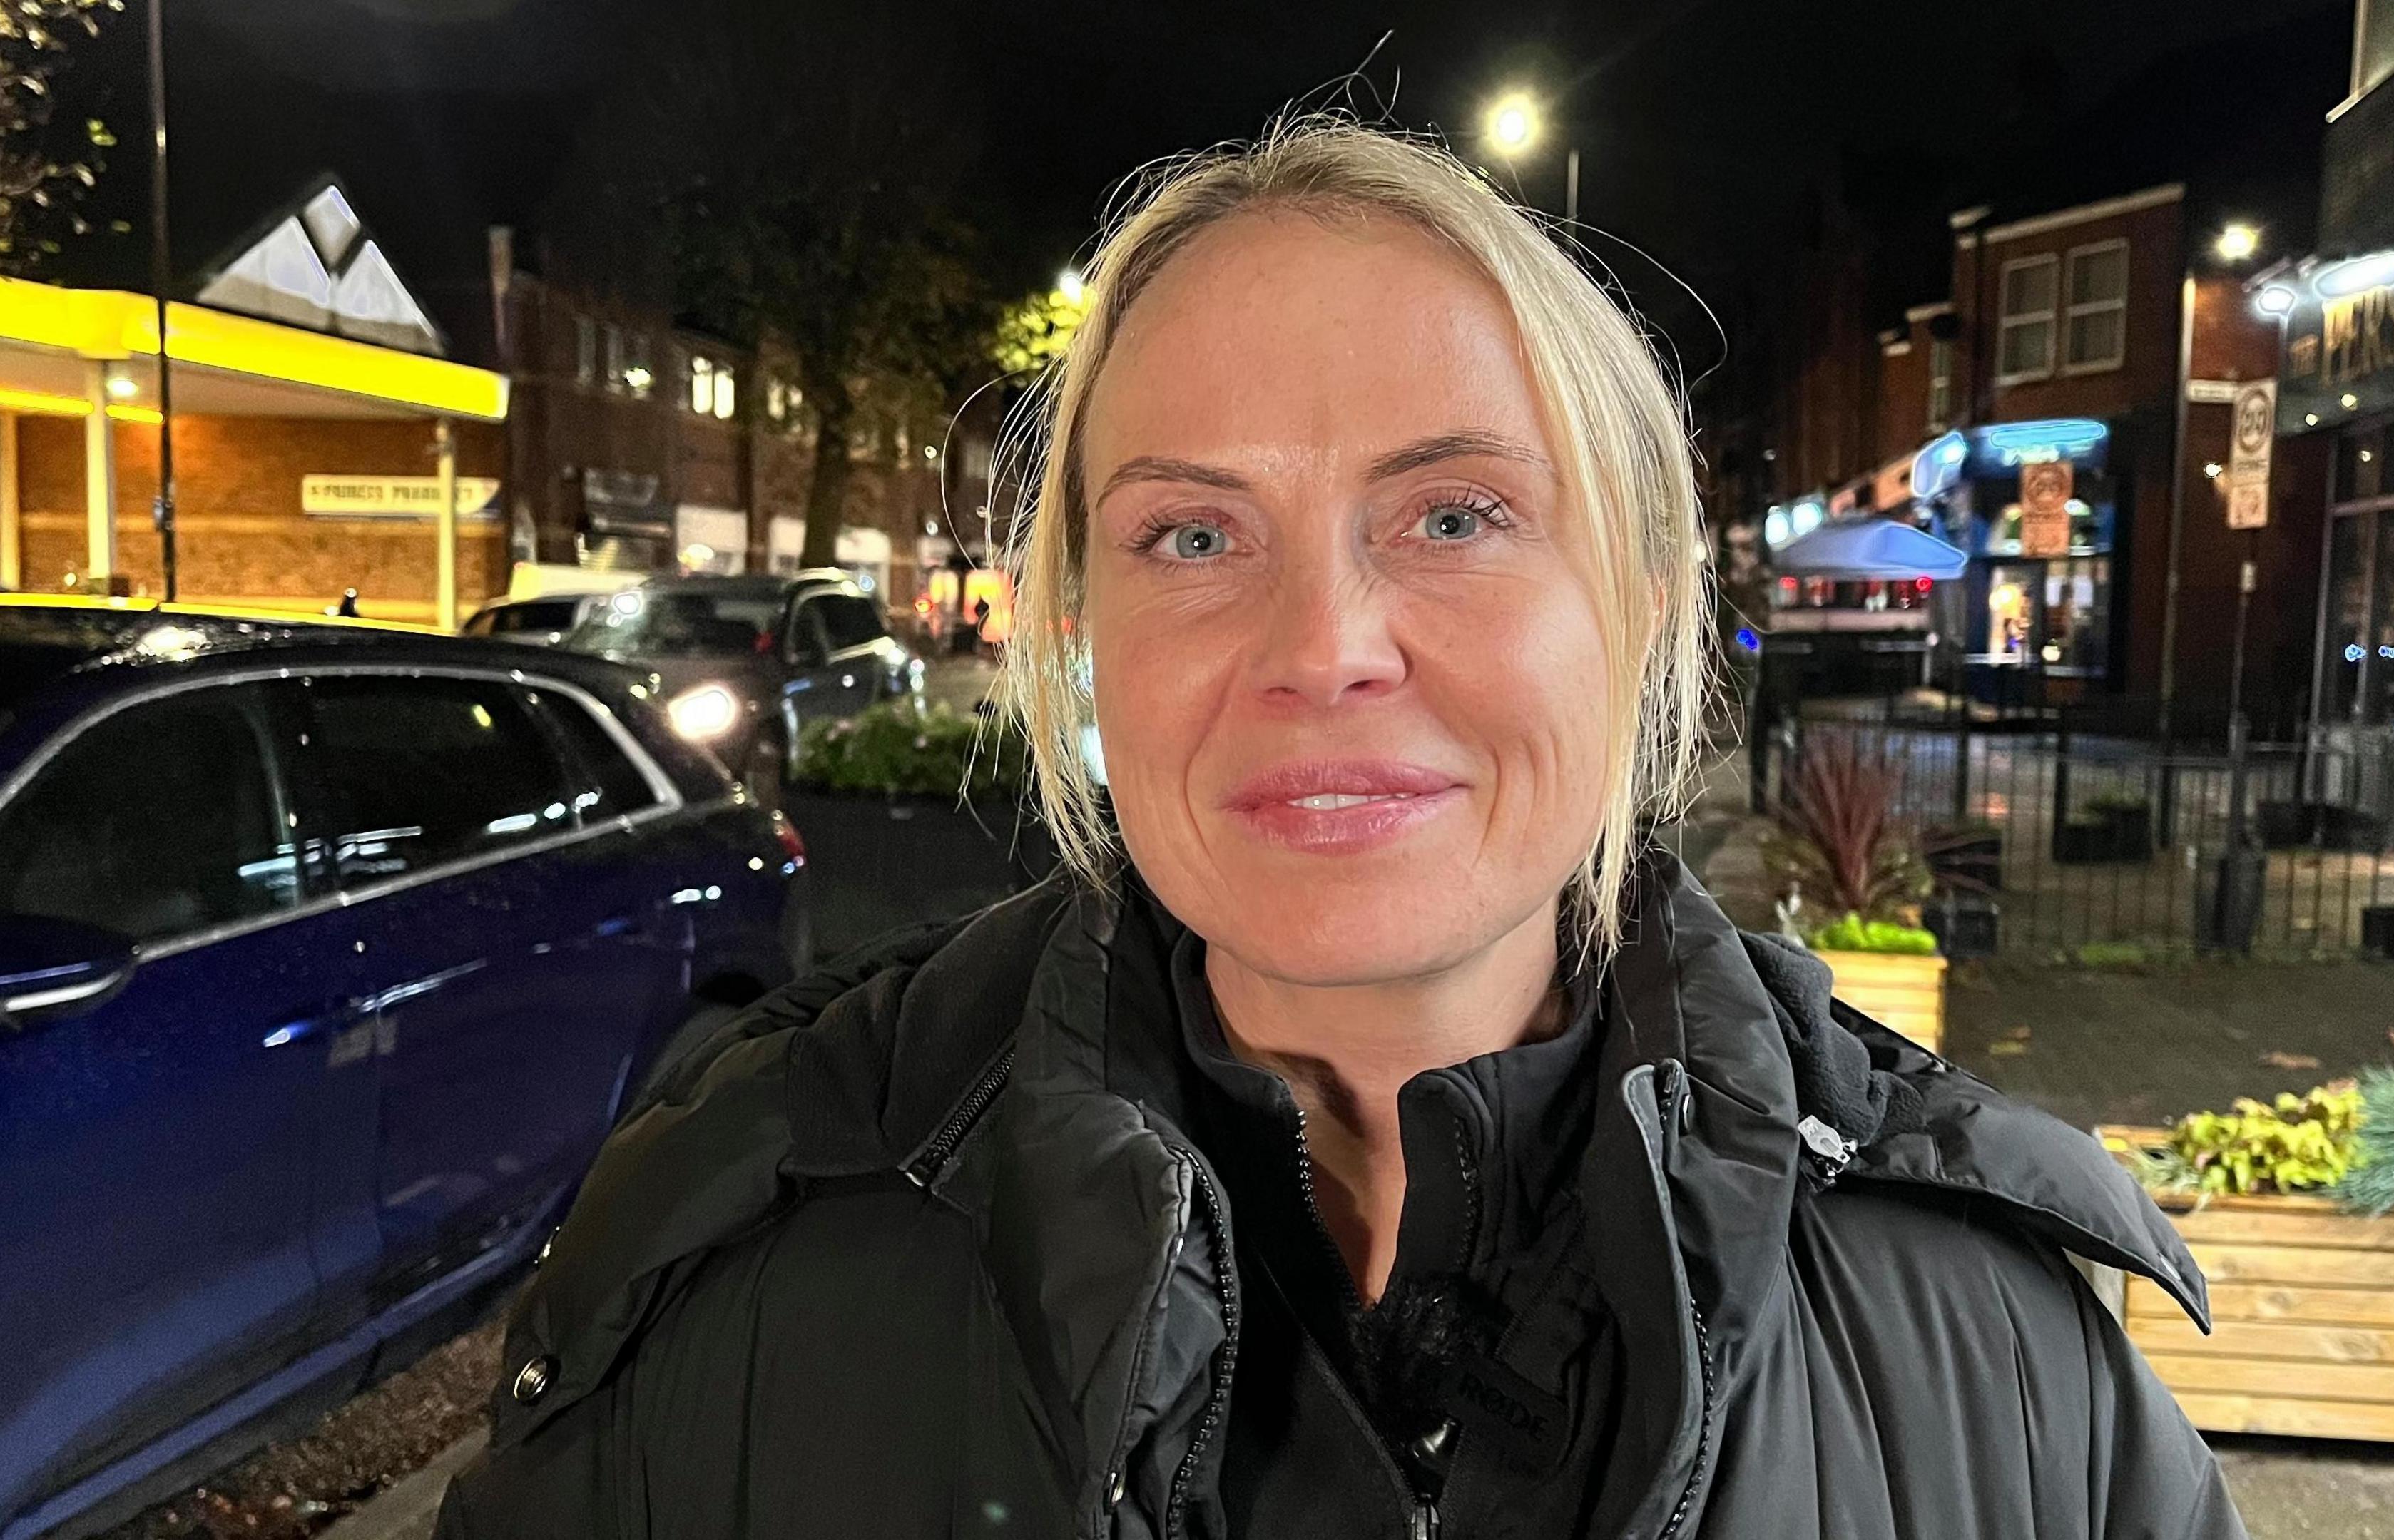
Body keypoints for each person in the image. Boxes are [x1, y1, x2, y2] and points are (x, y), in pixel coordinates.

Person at [436, 119, 2243, 1539]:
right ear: (1082, 627)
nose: (1323, 648)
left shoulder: (1999, 1352)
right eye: (1193, 536)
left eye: (1454, 516)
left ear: (1638, 604)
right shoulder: (725, 1277)